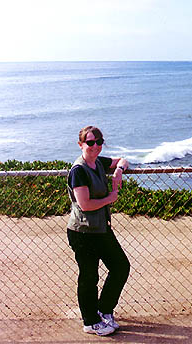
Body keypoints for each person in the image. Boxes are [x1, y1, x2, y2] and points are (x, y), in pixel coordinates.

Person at [66, 126, 130, 336]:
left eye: (99, 142)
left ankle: (104, 311)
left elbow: (122, 159)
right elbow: (84, 205)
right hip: (83, 232)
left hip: (101, 228)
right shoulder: (79, 170)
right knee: (89, 276)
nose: (96, 146)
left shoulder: (98, 162)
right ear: (81, 144)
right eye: (90, 142)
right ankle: (91, 322)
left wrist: (118, 171)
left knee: (120, 266)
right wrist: (109, 199)